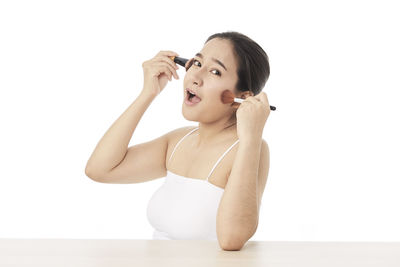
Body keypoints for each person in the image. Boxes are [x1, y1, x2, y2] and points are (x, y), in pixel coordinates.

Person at [85, 31, 271, 250]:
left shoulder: (249, 148)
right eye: (197, 62)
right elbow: (99, 169)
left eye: (215, 71)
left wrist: (251, 138)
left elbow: (232, 239)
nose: (195, 76)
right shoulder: (179, 141)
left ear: (243, 98)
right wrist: (148, 93)